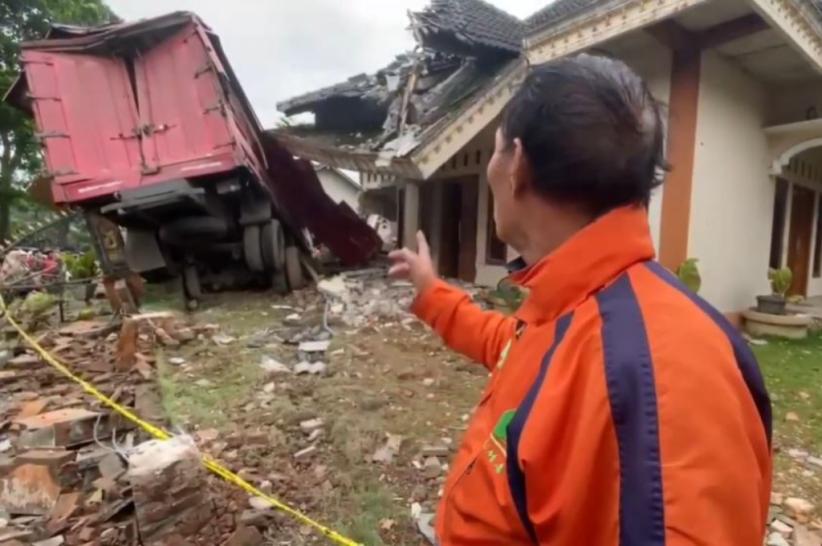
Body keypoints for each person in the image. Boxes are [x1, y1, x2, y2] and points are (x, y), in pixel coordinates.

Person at [389, 54, 772, 546]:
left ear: (517, 166)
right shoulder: (571, 308)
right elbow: (510, 346)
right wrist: (432, 292)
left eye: (496, 147)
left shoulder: (665, 369)